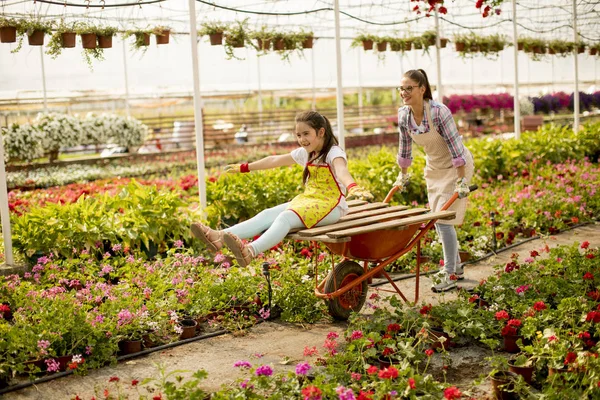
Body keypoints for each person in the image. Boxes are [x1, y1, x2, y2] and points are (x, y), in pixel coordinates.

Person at [191, 111, 373, 267]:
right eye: (298, 135)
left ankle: (249, 252)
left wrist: (353, 187)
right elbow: (274, 160)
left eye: (306, 134)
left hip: (331, 206)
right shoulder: (306, 153)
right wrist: (245, 167)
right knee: (266, 214)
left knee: (285, 218)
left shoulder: (334, 152)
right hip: (309, 201)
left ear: (321, 132)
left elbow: (341, 170)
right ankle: (218, 236)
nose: (301, 139)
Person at [394, 69, 474, 292]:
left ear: (422, 89)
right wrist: (402, 176)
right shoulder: (404, 116)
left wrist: (461, 181)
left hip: (456, 166)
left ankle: (449, 273)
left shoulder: (439, 112)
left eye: (409, 88)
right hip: (435, 168)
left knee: (442, 219)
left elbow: (455, 147)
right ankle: (456, 267)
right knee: (437, 219)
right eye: (402, 88)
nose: (404, 92)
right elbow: (405, 149)